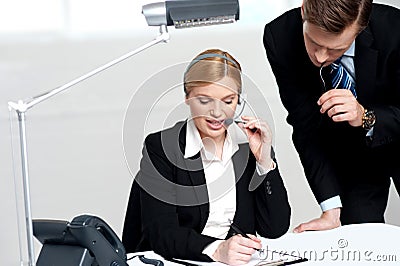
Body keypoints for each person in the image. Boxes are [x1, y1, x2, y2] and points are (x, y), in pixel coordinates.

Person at [122, 48, 291, 264]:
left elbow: (274, 229)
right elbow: (161, 234)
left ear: (239, 101)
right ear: (187, 98)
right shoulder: (162, 148)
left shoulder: (248, 150)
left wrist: (264, 162)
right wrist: (218, 249)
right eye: (204, 101)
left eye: (228, 101)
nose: (217, 113)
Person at [263, 0, 400, 233]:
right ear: (304, 10)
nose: (320, 56)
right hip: (351, 153)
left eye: (337, 49)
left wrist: (365, 117)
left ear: (361, 28)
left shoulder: (395, 29)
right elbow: (305, 126)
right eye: (313, 42)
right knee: (358, 237)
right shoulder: (280, 37)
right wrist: (330, 209)